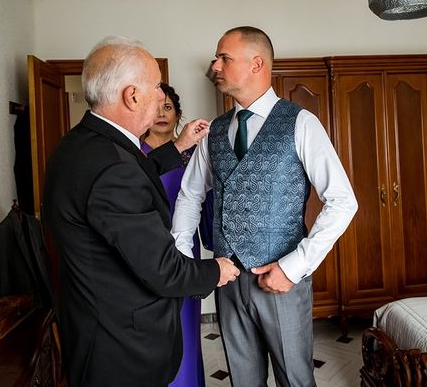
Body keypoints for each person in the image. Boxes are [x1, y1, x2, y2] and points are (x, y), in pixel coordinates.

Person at [42, 36, 240, 387]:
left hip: (92, 327)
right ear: (132, 96)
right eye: (156, 87)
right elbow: (163, 271)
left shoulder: (83, 144)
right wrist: (216, 270)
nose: (162, 96)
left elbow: (137, 171)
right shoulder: (113, 168)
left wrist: (177, 147)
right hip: (121, 350)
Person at [171, 26, 358, 386]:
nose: (215, 66)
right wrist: (184, 254)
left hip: (281, 279)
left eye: (224, 57)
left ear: (257, 63)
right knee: (244, 381)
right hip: (227, 279)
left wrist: (294, 267)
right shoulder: (216, 131)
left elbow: (342, 201)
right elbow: (190, 194)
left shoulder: (301, 123)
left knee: (295, 379)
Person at [140, 83, 211, 387]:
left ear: (178, 114)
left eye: (168, 107)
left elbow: (207, 199)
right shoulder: (135, 155)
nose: (161, 113)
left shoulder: (194, 154)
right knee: (153, 330)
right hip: (145, 250)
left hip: (184, 250)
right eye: (156, 107)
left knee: (186, 326)